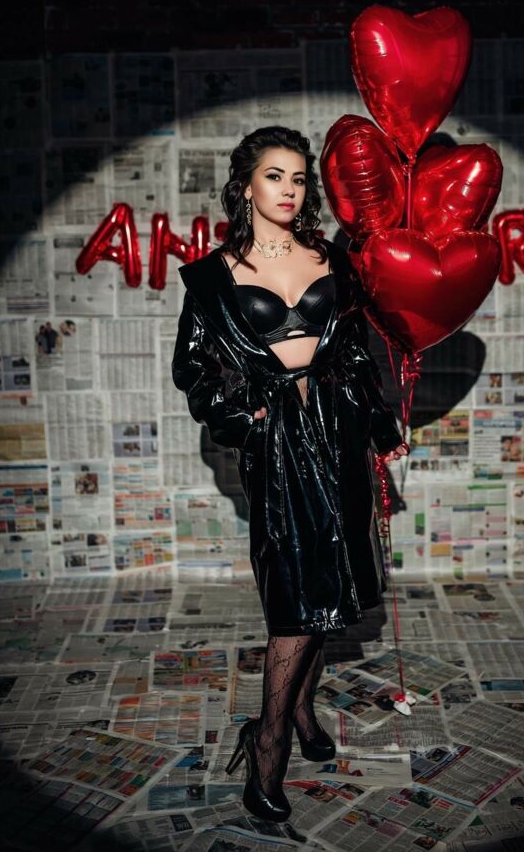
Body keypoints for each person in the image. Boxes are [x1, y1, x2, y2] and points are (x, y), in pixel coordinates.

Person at [172, 126, 408, 822]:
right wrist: (245, 418)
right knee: (295, 590)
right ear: (246, 186)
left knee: (332, 575)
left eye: (300, 178)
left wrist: (376, 422)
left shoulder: (331, 258)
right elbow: (194, 370)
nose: (289, 189)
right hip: (276, 444)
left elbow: (357, 349)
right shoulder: (212, 275)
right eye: (275, 176)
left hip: (338, 434)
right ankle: (268, 737)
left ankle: (302, 708)